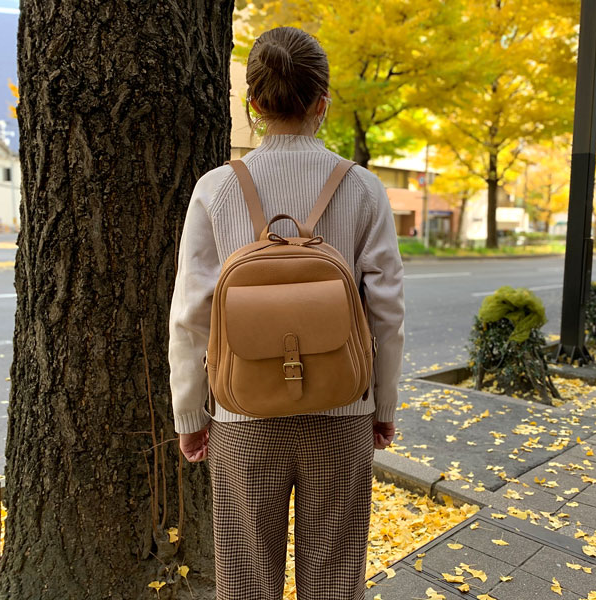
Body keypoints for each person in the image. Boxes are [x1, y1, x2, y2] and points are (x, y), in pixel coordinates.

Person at [168, 26, 405, 600]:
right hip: (342, 408)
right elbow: (387, 313)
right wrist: (382, 404)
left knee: (246, 578)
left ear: (253, 103)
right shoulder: (365, 189)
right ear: (322, 103)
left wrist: (189, 414)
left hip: (243, 414)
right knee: (333, 575)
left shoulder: (216, 189)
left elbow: (191, 313)